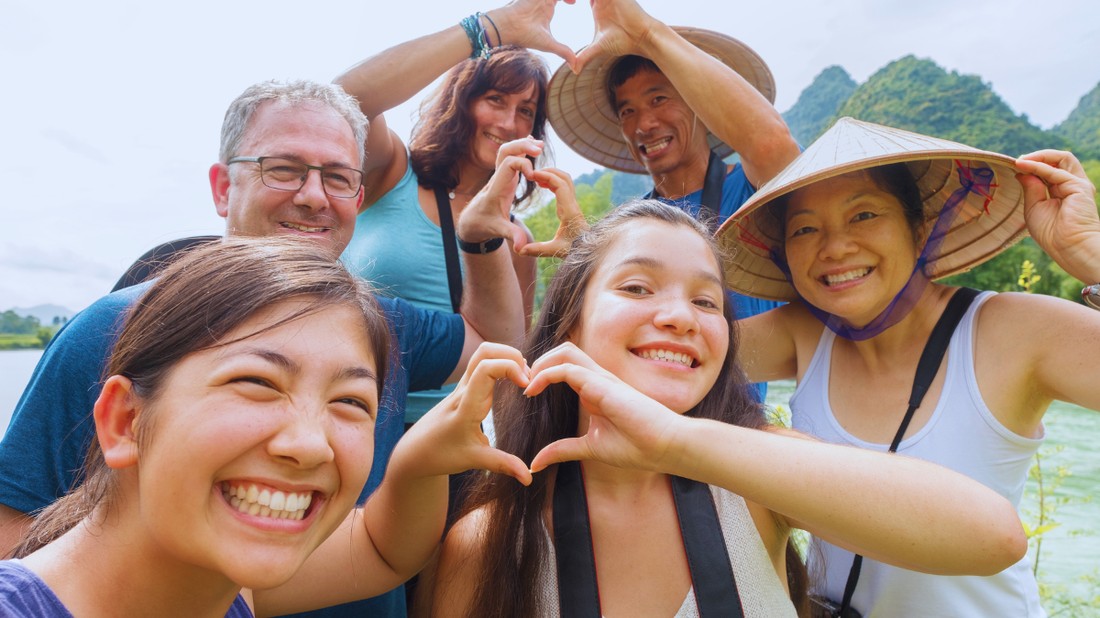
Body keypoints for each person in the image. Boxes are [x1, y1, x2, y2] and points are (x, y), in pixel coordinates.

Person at [0, 79, 527, 617]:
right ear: (223, 187)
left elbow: (377, 543)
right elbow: (14, 531)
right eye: (283, 169)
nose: (313, 195)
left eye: (351, 400)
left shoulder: (381, 321)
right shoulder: (119, 325)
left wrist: (480, 242)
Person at [418, 200, 1026, 617]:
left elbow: (991, 535)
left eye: (708, 302)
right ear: (568, 324)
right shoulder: (494, 540)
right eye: (636, 287)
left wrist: (675, 441)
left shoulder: (753, 480)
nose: (681, 317)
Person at [716, 117, 1100, 616]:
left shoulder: (1008, 330)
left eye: (864, 215)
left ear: (920, 229)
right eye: (805, 228)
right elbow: (671, 355)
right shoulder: (805, 333)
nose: (834, 247)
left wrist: (1089, 252)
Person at [335, 0, 581, 427]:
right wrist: (487, 29)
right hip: (352, 418)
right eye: (495, 99)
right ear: (461, 100)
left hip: (450, 446)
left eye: (526, 111)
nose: (509, 122)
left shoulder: (516, 239)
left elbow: (510, 365)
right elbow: (343, 102)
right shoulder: (393, 173)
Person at [545, 0, 801, 400]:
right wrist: (585, 251)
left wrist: (646, 31)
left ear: (699, 103)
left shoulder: (749, 194)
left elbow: (773, 145)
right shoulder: (630, 228)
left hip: (732, 430)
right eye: (627, 110)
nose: (644, 124)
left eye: (659, 99)